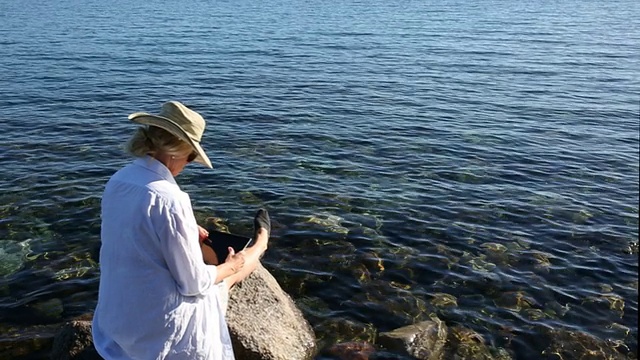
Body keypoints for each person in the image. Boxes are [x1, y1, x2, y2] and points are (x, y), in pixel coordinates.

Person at [92, 101, 270, 360]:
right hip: (155, 335)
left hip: (117, 321)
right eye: (190, 157)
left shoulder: (119, 180)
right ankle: (262, 242)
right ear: (176, 152)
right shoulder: (171, 198)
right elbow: (192, 284)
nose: (188, 164)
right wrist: (230, 266)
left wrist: (185, 226)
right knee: (230, 272)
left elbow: (134, 230)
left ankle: (253, 248)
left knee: (215, 271)